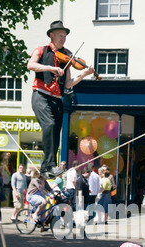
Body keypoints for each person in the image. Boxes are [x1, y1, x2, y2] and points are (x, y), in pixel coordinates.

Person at [27, 21, 95, 178]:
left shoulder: (66, 56)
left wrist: (84, 74)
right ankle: (49, 165)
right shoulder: (41, 50)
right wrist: (51, 68)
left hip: (57, 98)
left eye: (65, 36)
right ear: (52, 35)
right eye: (60, 35)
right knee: (49, 125)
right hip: (41, 95)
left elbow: (69, 83)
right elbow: (30, 65)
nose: (63, 38)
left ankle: (48, 168)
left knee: (56, 132)